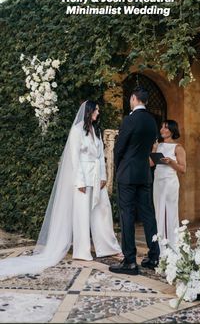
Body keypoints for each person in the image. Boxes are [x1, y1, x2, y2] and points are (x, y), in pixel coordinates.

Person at [0, 100, 121, 280]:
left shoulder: (95, 131)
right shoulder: (76, 130)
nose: (98, 113)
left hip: (96, 178)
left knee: (102, 211)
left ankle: (108, 247)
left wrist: (103, 176)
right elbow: (74, 158)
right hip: (82, 178)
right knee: (81, 216)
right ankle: (82, 250)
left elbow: (99, 156)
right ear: (88, 111)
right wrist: (79, 181)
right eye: (96, 110)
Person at [109, 87, 160, 275]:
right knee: (148, 214)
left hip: (128, 174)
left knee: (127, 216)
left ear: (133, 98)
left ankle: (130, 261)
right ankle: (154, 256)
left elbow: (119, 148)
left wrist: (118, 168)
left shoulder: (130, 120)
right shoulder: (152, 121)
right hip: (145, 174)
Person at [152, 120, 186, 255]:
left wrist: (171, 162)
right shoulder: (158, 145)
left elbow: (183, 169)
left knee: (170, 213)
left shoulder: (178, 147)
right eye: (162, 127)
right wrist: (154, 150)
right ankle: (160, 247)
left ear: (172, 130)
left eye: (165, 128)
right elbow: (150, 164)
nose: (162, 130)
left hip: (170, 182)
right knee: (159, 212)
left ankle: (172, 247)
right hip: (158, 182)